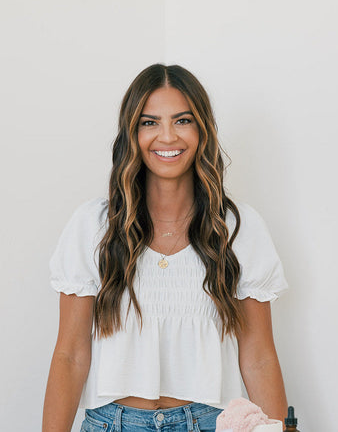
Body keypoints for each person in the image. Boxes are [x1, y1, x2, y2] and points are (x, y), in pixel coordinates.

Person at [42, 64, 289, 432]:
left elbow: (259, 357)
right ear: (132, 133)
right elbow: (70, 355)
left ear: (202, 129)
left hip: (209, 422)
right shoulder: (93, 227)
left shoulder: (238, 228)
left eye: (183, 120)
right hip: (112, 424)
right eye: (149, 122)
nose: (168, 136)